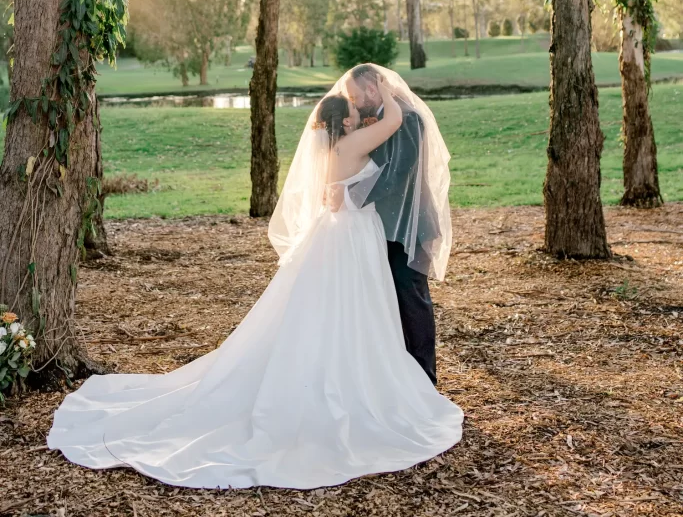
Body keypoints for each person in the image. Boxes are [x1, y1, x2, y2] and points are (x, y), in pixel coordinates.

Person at [47, 67, 462, 490]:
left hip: (338, 236)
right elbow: (387, 131)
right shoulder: (364, 135)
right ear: (347, 123)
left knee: (338, 309)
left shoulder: (331, 149)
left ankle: (368, 376)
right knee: (359, 308)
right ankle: (380, 384)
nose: (358, 108)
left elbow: (385, 168)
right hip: (353, 238)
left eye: (359, 99)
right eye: (353, 106)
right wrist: (390, 93)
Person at [344, 64, 446, 385]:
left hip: (411, 229)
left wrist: (351, 196)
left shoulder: (408, 118)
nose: (355, 102)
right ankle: (402, 381)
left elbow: (396, 175)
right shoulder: (379, 119)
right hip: (384, 229)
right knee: (390, 304)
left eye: (356, 96)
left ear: (372, 90)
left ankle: (425, 381)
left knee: (412, 302)